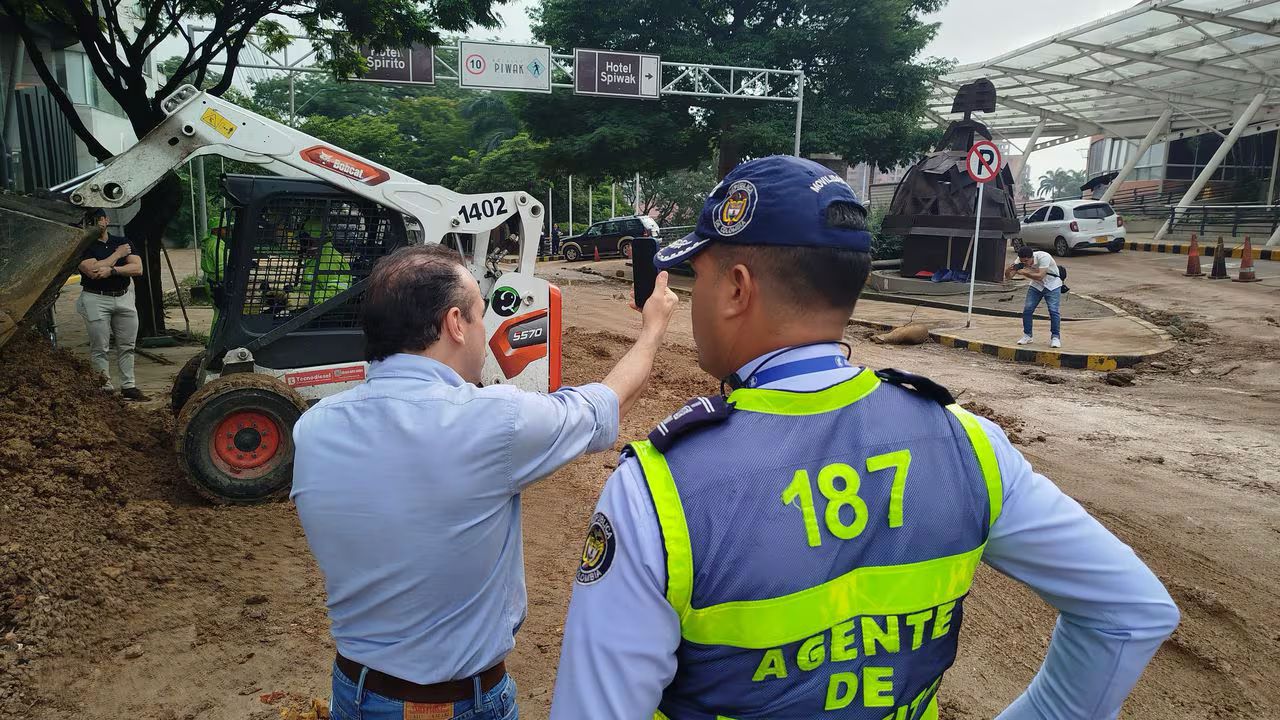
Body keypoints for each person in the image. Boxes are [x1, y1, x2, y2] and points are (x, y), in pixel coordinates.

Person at [551, 156, 1178, 720]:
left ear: (738, 288)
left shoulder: (658, 490)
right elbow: (1131, 613)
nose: (693, 301)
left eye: (700, 277)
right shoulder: (969, 445)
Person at [292, 243, 679, 720]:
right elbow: (608, 404)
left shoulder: (313, 427)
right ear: (455, 324)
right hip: (453, 704)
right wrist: (652, 329)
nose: (484, 331)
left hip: (353, 692)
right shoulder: (493, 422)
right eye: (479, 315)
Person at [75, 209, 148, 401]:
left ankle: (129, 386)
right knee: (100, 346)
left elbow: (138, 268)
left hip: (123, 296)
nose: (97, 224)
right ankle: (104, 387)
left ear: (106, 220)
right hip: (96, 298)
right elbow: (93, 270)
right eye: (91, 221)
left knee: (127, 345)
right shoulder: (85, 245)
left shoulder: (123, 241)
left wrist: (113, 270)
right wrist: (118, 255)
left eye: (99, 219)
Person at [1006, 245, 1063, 348]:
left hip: (1052, 285)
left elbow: (1041, 275)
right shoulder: (1019, 260)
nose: (1025, 263)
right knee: (1028, 309)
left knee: (1053, 310)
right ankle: (1027, 335)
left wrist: (1024, 272)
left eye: (1027, 261)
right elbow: (1009, 277)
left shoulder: (1043, 257)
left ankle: (1055, 337)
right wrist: (1008, 270)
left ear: (1032, 257)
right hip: (1036, 285)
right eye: (1022, 262)